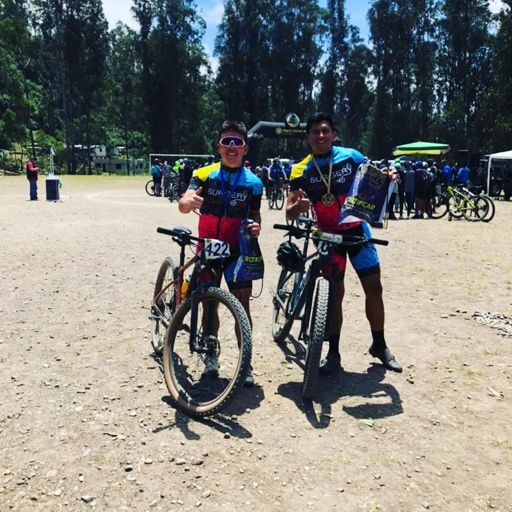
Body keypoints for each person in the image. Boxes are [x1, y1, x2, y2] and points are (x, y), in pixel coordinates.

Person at [286, 112, 402, 373]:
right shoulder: (300, 169)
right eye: (315, 132)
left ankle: (380, 345)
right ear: (307, 137)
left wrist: (389, 175)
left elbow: (377, 176)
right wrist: (296, 208)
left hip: (357, 231)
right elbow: (289, 211)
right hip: (327, 235)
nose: (321, 135)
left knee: (374, 288)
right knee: (334, 294)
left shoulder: (352, 156)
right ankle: (333, 353)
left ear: (334, 134)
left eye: (325, 130)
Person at [178, 121, 263, 386]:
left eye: (237, 142)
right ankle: (210, 356)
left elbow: (255, 214)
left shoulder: (255, 183)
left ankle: (245, 363)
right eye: (227, 142)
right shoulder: (203, 174)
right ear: (219, 147)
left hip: (238, 250)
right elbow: (184, 201)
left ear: (245, 148)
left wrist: (256, 226)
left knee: (242, 305)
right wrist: (186, 202)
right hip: (209, 248)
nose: (232, 147)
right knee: (209, 303)